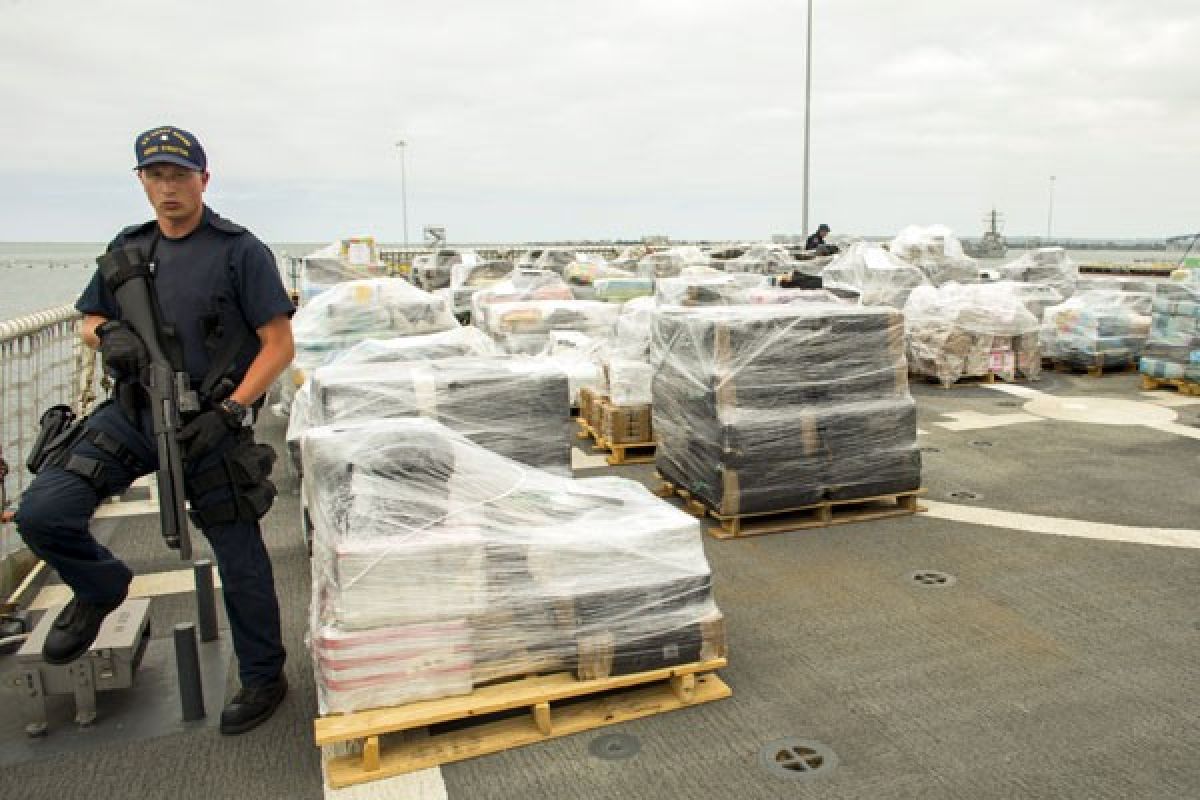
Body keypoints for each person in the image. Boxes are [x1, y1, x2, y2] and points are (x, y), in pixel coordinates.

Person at [14, 125, 296, 735]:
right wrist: (104, 335)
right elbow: (89, 317)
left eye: (180, 175)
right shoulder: (129, 246)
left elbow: (278, 344)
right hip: (133, 413)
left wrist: (233, 410)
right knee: (43, 511)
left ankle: (263, 676)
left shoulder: (239, 250)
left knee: (239, 554)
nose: (169, 188)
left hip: (210, 418)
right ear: (141, 181)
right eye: (156, 176)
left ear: (203, 180)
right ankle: (100, 585)